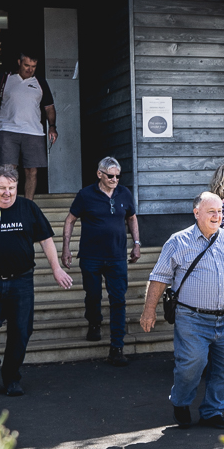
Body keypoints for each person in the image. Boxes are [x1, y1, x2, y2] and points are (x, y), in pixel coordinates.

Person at [0, 166, 74, 397]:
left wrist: (56, 269)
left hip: (21, 281)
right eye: (2, 188)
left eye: (11, 188)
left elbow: (46, 240)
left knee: (21, 331)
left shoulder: (28, 208)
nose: (7, 193)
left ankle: (11, 377)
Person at [140, 191, 224, 430]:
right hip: (192, 318)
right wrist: (148, 310)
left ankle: (212, 411)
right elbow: (159, 277)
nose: (217, 216)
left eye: (220, 211)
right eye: (211, 211)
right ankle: (181, 402)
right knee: (191, 364)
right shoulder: (178, 241)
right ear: (196, 213)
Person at [62, 157, 140, 366]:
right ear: (100, 174)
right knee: (93, 294)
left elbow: (131, 217)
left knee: (118, 300)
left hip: (117, 257)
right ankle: (94, 322)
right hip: (91, 256)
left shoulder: (124, 193)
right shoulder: (86, 195)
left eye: (117, 176)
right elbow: (70, 220)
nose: (115, 179)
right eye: (110, 176)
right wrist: (66, 248)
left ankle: (117, 346)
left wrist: (137, 243)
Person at [0, 53, 57, 194]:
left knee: (32, 171)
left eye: (33, 66)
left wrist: (52, 127)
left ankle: (27, 205)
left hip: (34, 131)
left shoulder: (40, 82)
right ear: (19, 62)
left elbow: (49, 107)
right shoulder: (5, 79)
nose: (30, 69)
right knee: (8, 171)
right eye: (26, 65)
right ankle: (9, 203)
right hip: (8, 129)